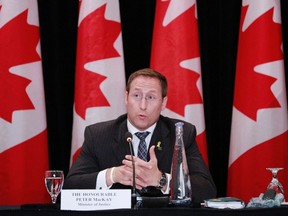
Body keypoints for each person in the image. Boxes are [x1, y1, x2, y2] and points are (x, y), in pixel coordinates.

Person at [63, 68, 216, 204]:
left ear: (163, 103)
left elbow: (207, 190)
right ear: (126, 98)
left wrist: (161, 179)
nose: (142, 105)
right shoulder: (98, 135)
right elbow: (70, 186)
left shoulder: (181, 134)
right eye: (136, 95)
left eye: (150, 97)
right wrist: (112, 175)